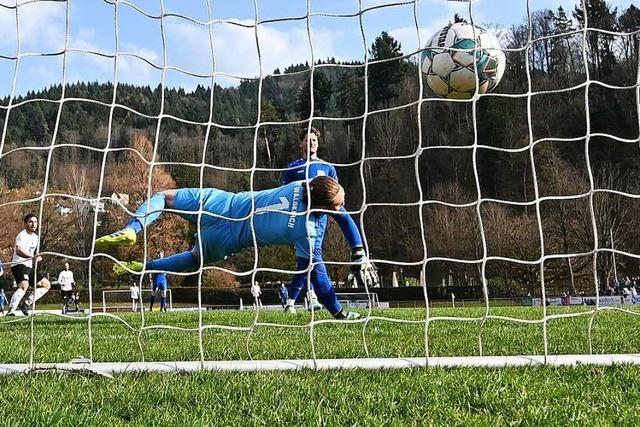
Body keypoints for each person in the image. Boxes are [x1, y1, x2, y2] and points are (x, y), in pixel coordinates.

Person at [95, 176, 377, 320]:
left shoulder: (302, 183)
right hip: (230, 239)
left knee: (163, 198)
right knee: (194, 259)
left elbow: (332, 205)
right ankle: (143, 268)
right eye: (338, 204)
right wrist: (338, 311)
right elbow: (318, 278)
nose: (342, 208)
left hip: (223, 203)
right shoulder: (308, 232)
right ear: (323, 208)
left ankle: (132, 229)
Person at [281, 128, 375, 313]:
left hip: (321, 218)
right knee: (309, 258)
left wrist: (333, 214)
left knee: (307, 259)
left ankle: (297, 300)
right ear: (301, 144)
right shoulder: (293, 167)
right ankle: (320, 303)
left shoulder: (327, 167)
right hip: (300, 219)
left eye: (315, 139)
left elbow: (336, 195)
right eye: (308, 140)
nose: (312, 143)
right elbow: (284, 192)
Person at [7, 214, 51, 316]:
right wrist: (32, 256)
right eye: (31, 222)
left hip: (29, 267)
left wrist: (37, 257)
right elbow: (18, 250)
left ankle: (26, 304)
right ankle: (11, 311)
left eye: (35, 222)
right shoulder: (21, 235)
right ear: (25, 224)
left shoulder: (36, 238)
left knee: (46, 285)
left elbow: (35, 254)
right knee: (24, 285)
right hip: (18, 265)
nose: (33, 224)